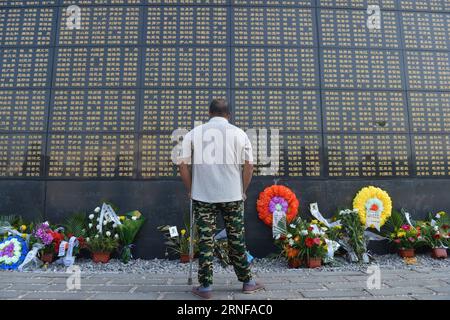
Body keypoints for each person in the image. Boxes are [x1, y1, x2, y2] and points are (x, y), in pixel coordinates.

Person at [178, 99, 265, 299]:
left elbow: (182, 165)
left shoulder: (193, 134)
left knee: (206, 241)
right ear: (229, 115)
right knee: (236, 239)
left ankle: (206, 287)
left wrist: (191, 189)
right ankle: (247, 282)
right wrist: (242, 190)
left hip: (203, 196)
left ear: (209, 113)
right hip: (232, 195)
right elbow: (249, 165)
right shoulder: (240, 134)